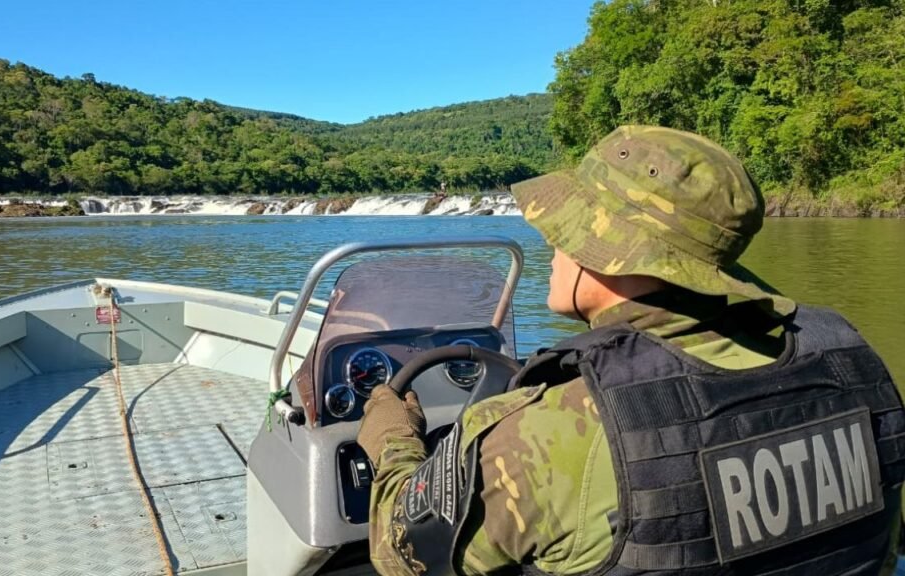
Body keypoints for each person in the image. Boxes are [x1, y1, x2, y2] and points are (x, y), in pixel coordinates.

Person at [357, 126, 905, 576]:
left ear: (608, 249)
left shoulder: (549, 432)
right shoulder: (849, 361)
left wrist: (392, 440)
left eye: (565, 231)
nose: (552, 247)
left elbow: (401, 554)